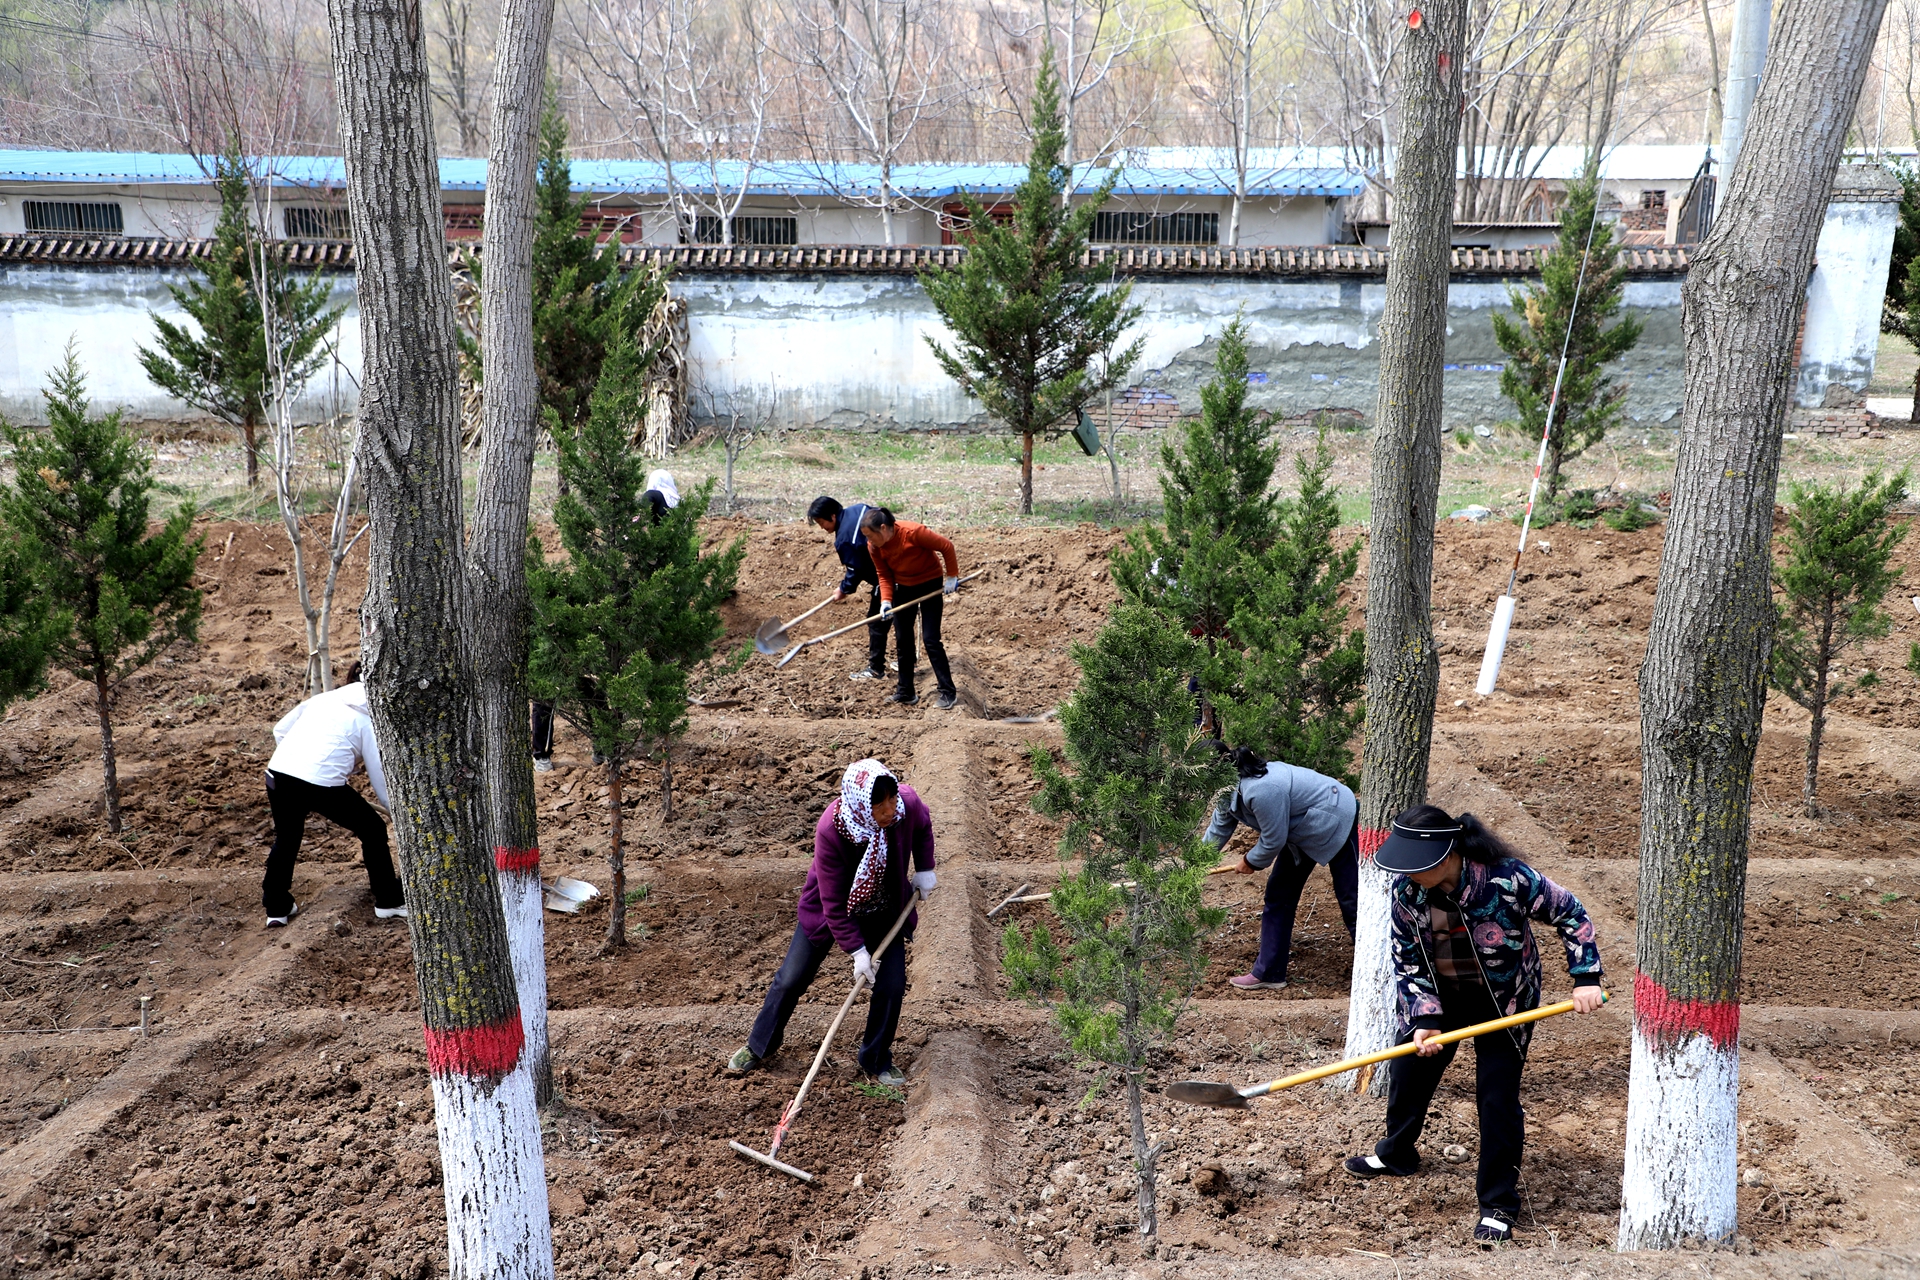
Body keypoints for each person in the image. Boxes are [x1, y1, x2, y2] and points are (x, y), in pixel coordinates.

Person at [1342, 804, 1606, 1247]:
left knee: (1496, 1099)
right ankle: (1397, 1154)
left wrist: (1586, 977)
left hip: (1505, 1002)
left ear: (1447, 855)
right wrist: (1425, 1018)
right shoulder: (1407, 892)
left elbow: (1572, 913)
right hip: (1441, 998)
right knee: (1408, 1073)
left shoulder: (1509, 879)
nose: (1409, 874)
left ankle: (1498, 1205)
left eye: (1417, 865)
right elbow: (1407, 959)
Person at [729, 759, 936, 1086]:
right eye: (879, 804)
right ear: (860, 804)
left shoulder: (905, 807)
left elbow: (923, 826)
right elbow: (834, 906)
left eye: (892, 798)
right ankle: (759, 1045)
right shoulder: (832, 829)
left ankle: (876, 1058)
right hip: (830, 909)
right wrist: (857, 952)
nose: (888, 809)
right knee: (791, 979)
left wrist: (925, 868)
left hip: (883, 909)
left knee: (892, 986)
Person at [534, 470, 680, 771]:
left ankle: (556, 755)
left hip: (601, 615)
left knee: (575, 691)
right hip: (610, 608)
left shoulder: (650, 504)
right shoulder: (667, 509)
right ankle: (590, 751)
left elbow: (637, 521)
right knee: (582, 688)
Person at [261, 663, 405, 928]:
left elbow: (280, 730)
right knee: (373, 829)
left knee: (287, 838)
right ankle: (388, 900)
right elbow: (379, 776)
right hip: (320, 782)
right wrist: (396, 812)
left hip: (278, 773)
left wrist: (300, 766)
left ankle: (276, 907)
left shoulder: (324, 699)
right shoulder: (369, 721)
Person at [1206, 743, 1358, 991]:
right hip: (1301, 829)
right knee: (1279, 895)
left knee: (1352, 899)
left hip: (1337, 817)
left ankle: (1378, 970)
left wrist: (1250, 861)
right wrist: (1194, 864)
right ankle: (1270, 972)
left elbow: (1273, 840)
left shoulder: (1260, 789)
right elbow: (1219, 828)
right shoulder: (1226, 791)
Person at [861, 507, 960, 710]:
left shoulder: (913, 533)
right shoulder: (874, 547)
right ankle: (906, 691)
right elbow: (884, 574)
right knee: (903, 638)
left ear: (883, 528)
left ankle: (947, 692)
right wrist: (886, 601)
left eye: (870, 535)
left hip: (930, 583)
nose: (868, 540)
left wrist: (952, 575)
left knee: (931, 639)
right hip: (903, 588)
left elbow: (946, 546)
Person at [808, 495, 892, 683]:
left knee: (876, 622)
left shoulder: (845, 539)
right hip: (900, 564)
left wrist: (844, 589)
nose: (822, 527)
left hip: (888, 577)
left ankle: (876, 669)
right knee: (902, 617)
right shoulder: (859, 509)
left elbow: (856, 569)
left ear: (832, 516)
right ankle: (908, 662)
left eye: (822, 522)